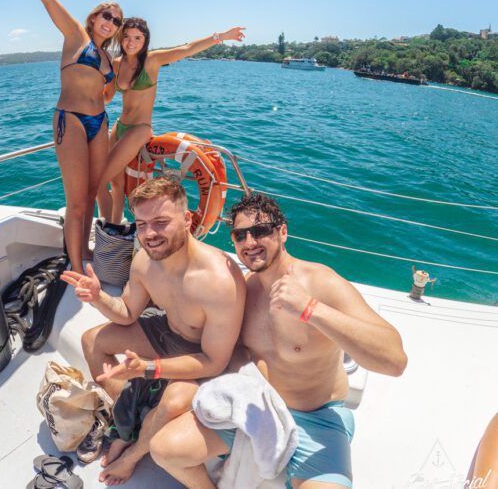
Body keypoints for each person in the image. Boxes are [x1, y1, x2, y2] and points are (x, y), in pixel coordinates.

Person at [150, 192, 408, 489]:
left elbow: (395, 361)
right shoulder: (245, 290)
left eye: (261, 231)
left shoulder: (320, 282)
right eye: (240, 235)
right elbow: (223, 348)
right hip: (258, 410)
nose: (249, 243)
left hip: (317, 420)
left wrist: (311, 309)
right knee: (165, 450)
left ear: (282, 232)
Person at [61, 176, 246, 484]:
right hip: (167, 332)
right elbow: (127, 312)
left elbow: (214, 361)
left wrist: (148, 369)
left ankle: (134, 454)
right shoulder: (145, 261)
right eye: (142, 224)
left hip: (203, 356)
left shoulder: (218, 281)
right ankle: (135, 420)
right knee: (92, 340)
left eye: (161, 222)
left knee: (172, 404)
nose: (149, 234)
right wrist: (98, 298)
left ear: (187, 220)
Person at [21, 0, 123, 276]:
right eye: (106, 15)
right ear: (94, 18)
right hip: (73, 121)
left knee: (95, 192)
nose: (111, 22)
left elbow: (108, 94)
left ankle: (85, 255)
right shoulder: (75, 36)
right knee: (77, 203)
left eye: (117, 20)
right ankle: (76, 268)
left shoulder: (110, 60)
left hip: (100, 123)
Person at [96, 19, 246, 224]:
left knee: (99, 178)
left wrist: (221, 36)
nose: (131, 42)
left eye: (137, 38)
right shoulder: (116, 63)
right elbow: (106, 97)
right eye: (127, 37)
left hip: (140, 129)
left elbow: (186, 49)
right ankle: (113, 227)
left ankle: (108, 225)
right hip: (119, 127)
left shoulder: (152, 60)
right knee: (116, 184)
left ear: (145, 40)